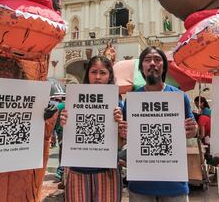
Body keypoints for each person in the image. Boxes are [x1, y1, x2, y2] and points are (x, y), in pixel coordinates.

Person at [115, 46, 197, 202]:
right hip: (140, 185)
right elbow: (123, 138)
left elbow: (193, 131)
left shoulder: (180, 97)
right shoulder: (131, 101)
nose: (152, 63)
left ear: (164, 67)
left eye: (157, 59)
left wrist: (193, 129)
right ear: (142, 68)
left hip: (174, 184)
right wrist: (122, 132)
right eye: (147, 60)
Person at [60, 55, 122, 202]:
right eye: (94, 72)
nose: (98, 77)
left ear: (109, 76)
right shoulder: (73, 100)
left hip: (107, 171)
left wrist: (120, 125)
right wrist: (64, 122)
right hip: (77, 170)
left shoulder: (118, 105)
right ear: (87, 74)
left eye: (103, 73)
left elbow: (121, 143)